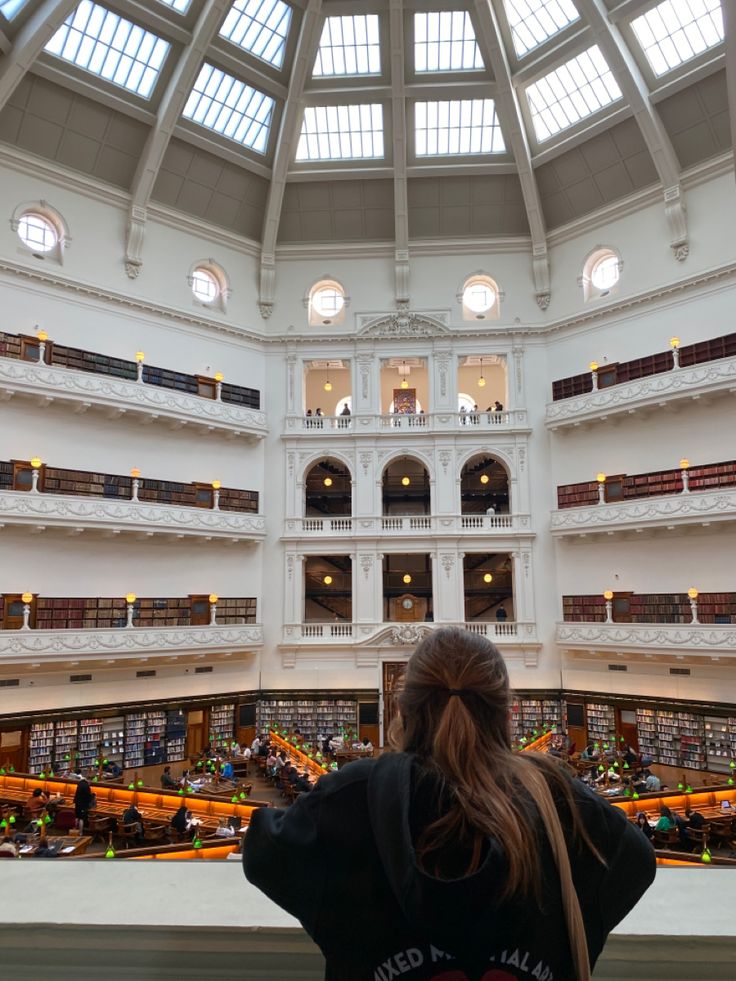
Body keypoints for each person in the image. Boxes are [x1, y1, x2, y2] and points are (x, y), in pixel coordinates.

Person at [244, 627, 654, 980]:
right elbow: (635, 861)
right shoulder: (555, 797)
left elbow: (264, 852)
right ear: (505, 713)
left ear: (405, 710)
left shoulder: (354, 796)